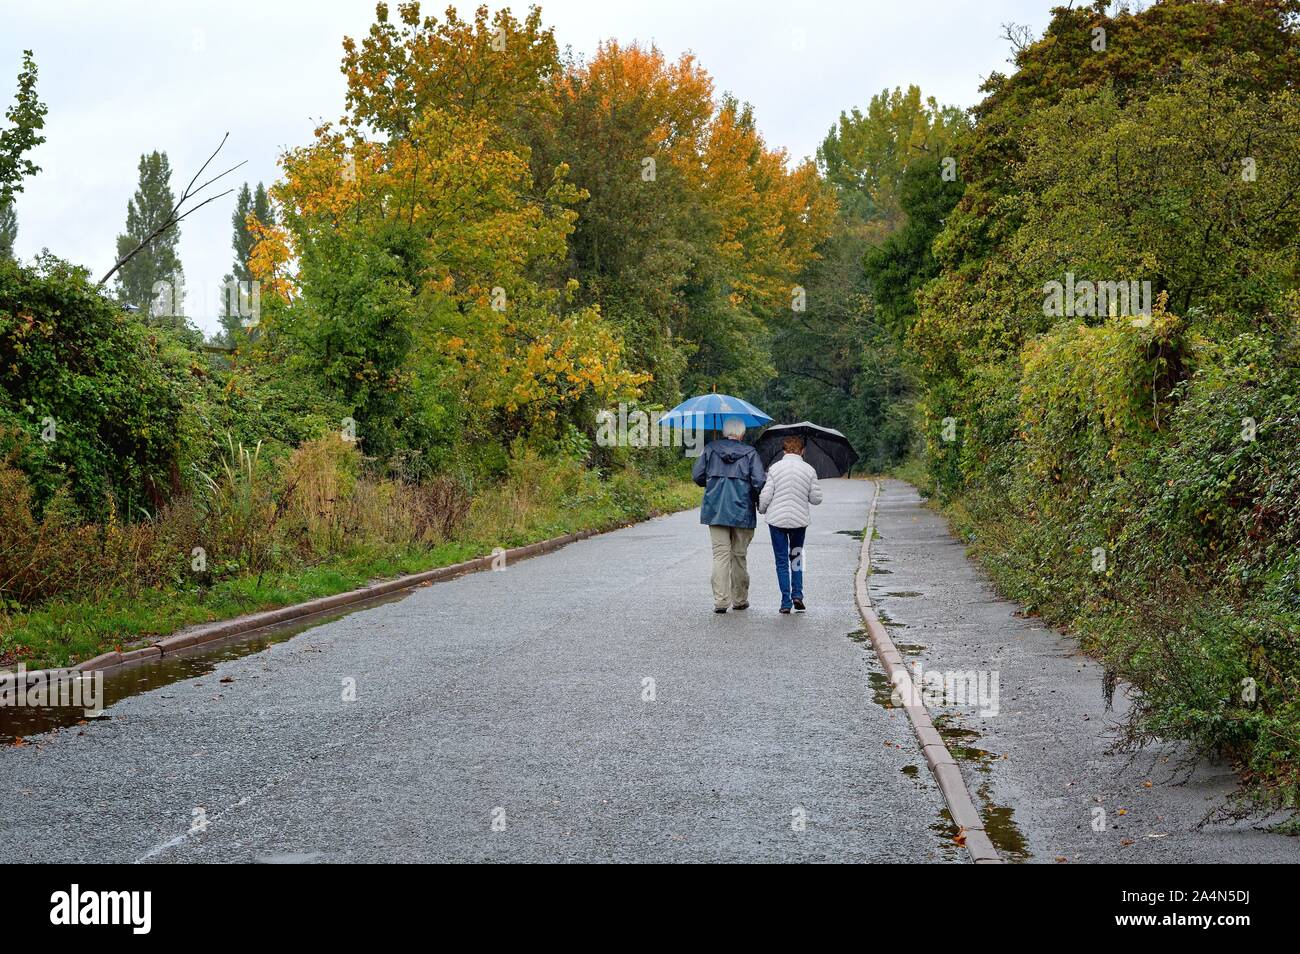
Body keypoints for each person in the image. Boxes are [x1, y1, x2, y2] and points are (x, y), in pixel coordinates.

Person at [692, 417, 766, 613]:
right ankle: (740, 599)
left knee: (720, 556)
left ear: (725, 433)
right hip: (742, 512)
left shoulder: (710, 449)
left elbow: (697, 476)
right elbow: (759, 481)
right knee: (739, 556)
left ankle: (721, 601)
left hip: (716, 510)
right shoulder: (750, 453)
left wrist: (712, 481)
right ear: (741, 434)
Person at [758, 435, 823, 614]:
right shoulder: (809, 470)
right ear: (803, 451)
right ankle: (798, 595)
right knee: (796, 557)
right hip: (799, 522)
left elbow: (766, 495)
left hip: (776, 521)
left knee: (781, 562)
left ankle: (785, 601)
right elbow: (816, 499)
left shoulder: (775, 468)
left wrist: (762, 509)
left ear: (784, 450)